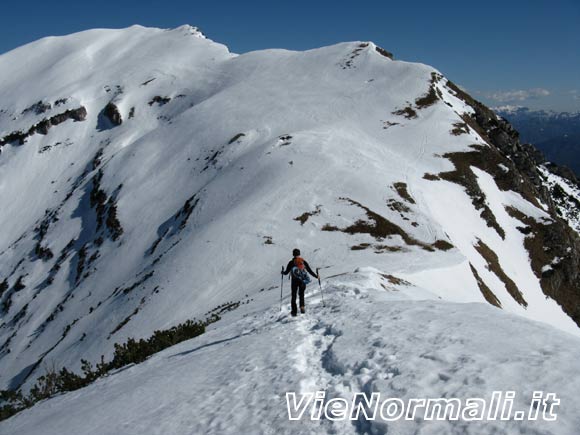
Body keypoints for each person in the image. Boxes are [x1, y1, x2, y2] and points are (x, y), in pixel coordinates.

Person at [282, 248, 318, 316]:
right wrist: (316, 276)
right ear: (299, 254)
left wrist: (282, 272)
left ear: (293, 254)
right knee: (301, 294)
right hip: (302, 280)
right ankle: (302, 307)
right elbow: (309, 271)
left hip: (294, 281)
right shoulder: (303, 261)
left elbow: (286, 272)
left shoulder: (291, 262)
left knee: (294, 295)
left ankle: (294, 311)